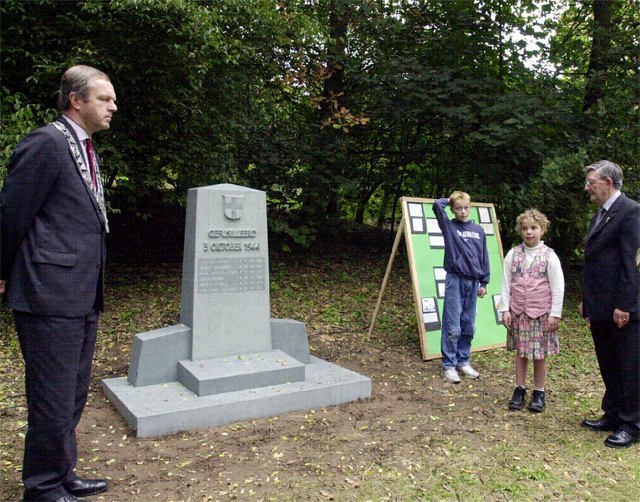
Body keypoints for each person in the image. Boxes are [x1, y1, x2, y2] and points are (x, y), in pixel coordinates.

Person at [1, 65, 116, 501]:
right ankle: (43, 487)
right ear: (76, 100)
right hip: (48, 294)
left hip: (82, 294)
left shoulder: (84, 149)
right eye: (104, 99)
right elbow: (12, 214)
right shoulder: (47, 143)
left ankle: (62, 473)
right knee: (50, 399)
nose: (113, 107)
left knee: (71, 393)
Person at [580, 160, 640, 449]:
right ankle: (613, 413)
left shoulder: (631, 211)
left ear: (609, 182)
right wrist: (586, 302)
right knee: (609, 364)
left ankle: (632, 423)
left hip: (622, 308)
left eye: (591, 181)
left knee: (630, 366)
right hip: (600, 306)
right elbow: (595, 262)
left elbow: (634, 263)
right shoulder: (599, 217)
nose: (587, 187)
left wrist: (626, 304)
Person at [499, 210, 565, 412]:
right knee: (521, 353)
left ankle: (539, 392)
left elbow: (557, 286)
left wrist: (555, 313)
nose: (529, 232)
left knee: (539, 355)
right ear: (520, 231)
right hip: (519, 313)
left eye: (534, 228)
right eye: (525, 228)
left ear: (542, 230)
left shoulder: (550, 257)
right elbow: (505, 283)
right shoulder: (513, 254)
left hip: (541, 315)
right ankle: (519, 389)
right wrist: (505, 309)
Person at [433, 192, 490, 384]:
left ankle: (463, 360)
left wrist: (484, 282)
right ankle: (449, 365)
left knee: (468, 324)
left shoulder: (479, 230)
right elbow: (436, 206)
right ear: (452, 209)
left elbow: (484, 257)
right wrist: (450, 199)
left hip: (473, 282)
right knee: (452, 325)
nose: (462, 211)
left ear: (470, 207)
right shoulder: (449, 227)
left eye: (465, 207)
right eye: (458, 208)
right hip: (455, 280)